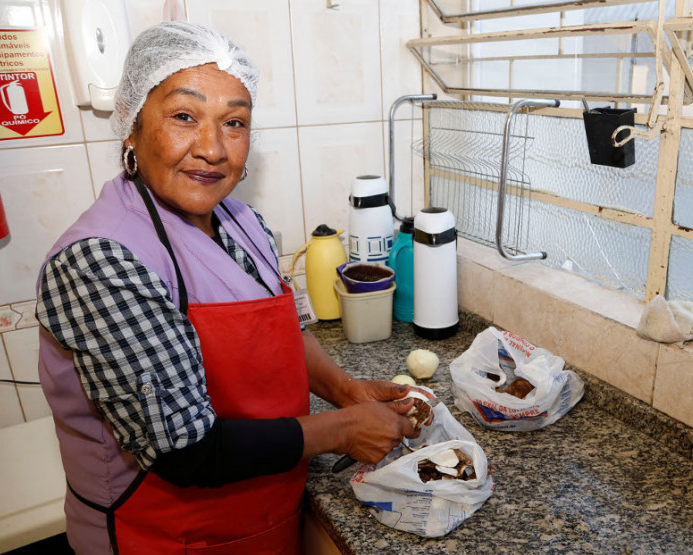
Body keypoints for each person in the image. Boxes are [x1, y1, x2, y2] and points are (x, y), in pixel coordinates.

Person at [36, 21, 418, 554]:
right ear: (131, 123)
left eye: (234, 123)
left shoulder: (243, 222)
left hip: (263, 515)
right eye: (184, 117)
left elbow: (285, 330)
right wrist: (342, 429)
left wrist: (344, 390)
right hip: (166, 536)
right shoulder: (101, 258)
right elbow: (182, 449)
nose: (213, 149)